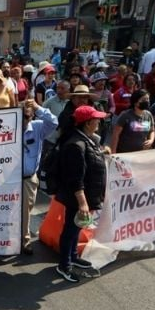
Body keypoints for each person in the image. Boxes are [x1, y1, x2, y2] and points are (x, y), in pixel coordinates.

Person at [54, 105, 106, 283]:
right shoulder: (76, 145)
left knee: (76, 228)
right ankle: (64, 265)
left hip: (86, 196)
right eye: (96, 119)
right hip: (77, 198)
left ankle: (73, 256)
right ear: (88, 123)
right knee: (70, 230)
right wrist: (83, 203)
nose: (99, 121)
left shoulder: (87, 140)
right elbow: (75, 179)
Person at [20, 99, 58, 255]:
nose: (24, 119)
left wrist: (37, 107)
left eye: (27, 116)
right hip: (8, 180)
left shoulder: (38, 127)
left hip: (28, 179)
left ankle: (25, 241)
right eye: (21, 115)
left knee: (25, 212)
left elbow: (54, 122)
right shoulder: (6, 129)